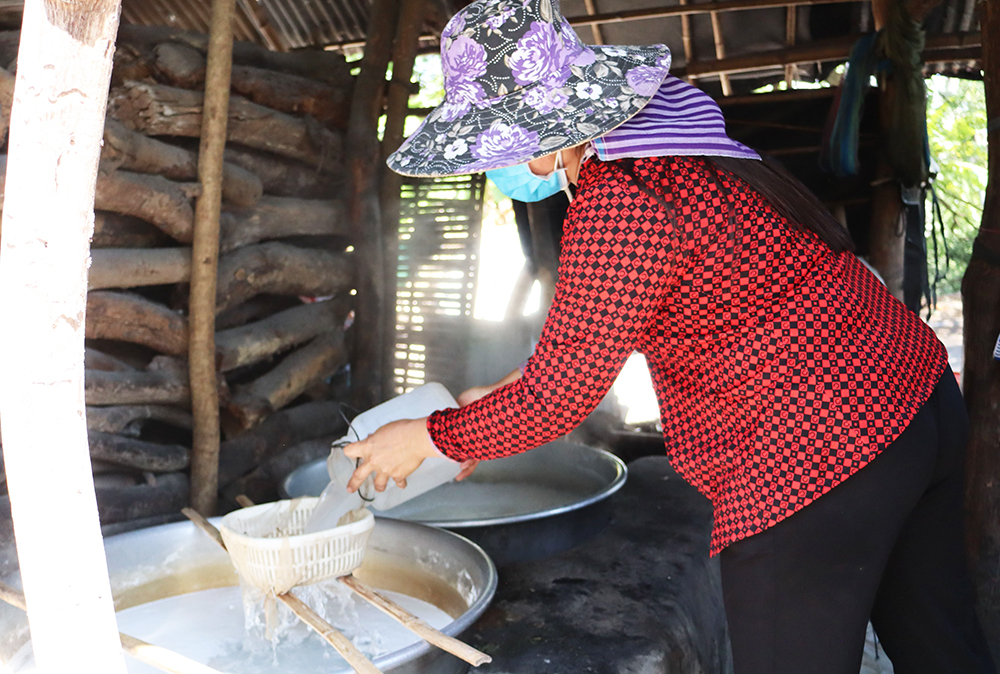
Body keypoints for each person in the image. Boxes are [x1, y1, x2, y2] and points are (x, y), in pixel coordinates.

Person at [343, 0, 998, 672]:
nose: (493, 161)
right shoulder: (674, 147)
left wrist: (428, 435)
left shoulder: (622, 197)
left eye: (497, 141)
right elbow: (605, 334)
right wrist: (490, 405)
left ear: (544, 126)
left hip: (817, 453)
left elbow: (559, 398)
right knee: (944, 650)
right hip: (915, 401)